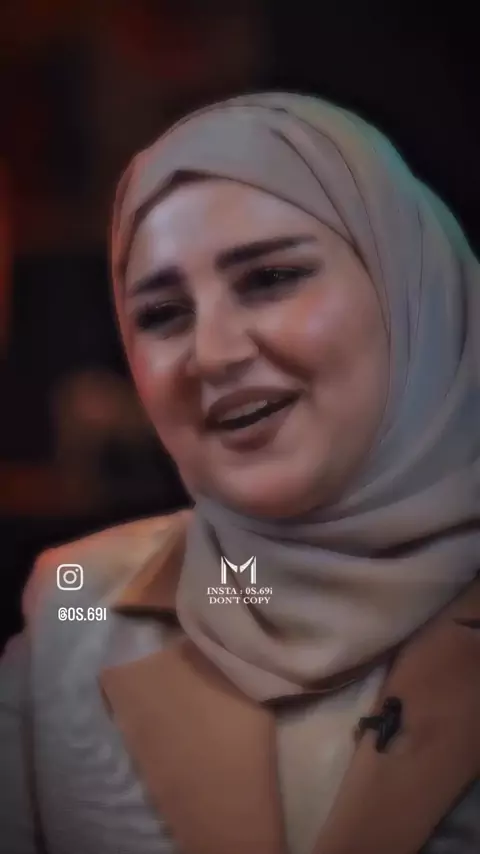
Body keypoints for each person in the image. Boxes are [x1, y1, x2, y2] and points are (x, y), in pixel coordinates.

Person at [0, 93, 479, 854]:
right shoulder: (76, 608)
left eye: (271, 277)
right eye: (162, 314)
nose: (214, 353)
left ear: (410, 289)